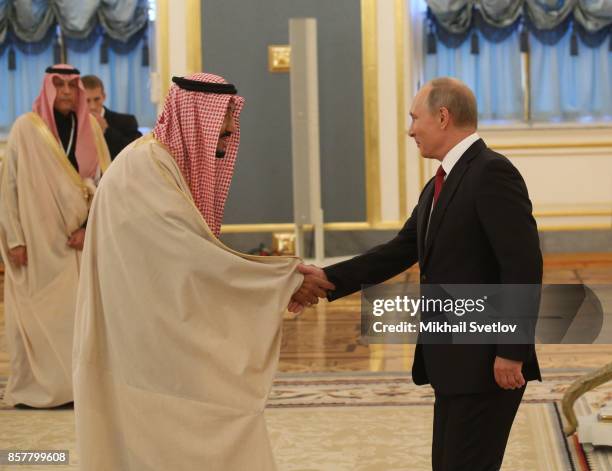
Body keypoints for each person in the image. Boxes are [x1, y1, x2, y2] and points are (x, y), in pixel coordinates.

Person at [73, 73, 331, 470]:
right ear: (194, 119)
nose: (227, 135)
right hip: (141, 329)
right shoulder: (145, 170)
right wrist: (283, 278)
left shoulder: (158, 163)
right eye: (222, 126)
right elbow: (192, 256)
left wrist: (284, 276)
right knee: (186, 415)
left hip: (153, 321)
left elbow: (191, 254)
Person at [290, 77, 543, 470]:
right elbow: (400, 251)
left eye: (414, 118)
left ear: (442, 117)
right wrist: (326, 279)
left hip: (487, 362)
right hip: (454, 362)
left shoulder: (492, 173)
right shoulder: (439, 184)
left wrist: (512, 351)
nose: (410, 130)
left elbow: (523, 265)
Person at [0, 64, 110, 408]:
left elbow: (106, 183)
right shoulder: (25, 129)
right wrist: (15, 238)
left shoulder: (90, 126)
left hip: (78, 242)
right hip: (37, 241)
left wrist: (88, 227)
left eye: (71, 85)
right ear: (47, 88)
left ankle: (77, 390)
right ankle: (36, 390)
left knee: (77, 318)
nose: (65, 91)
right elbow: (10, 186)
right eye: (58, 84)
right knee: (38, 318)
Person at [81, 74, 142, 160]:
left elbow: (134, 154)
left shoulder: (127, 121)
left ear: (104, 97)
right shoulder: (75, 124)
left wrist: (107, 131)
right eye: (87, 100)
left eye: (96, 99)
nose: (92, 106)